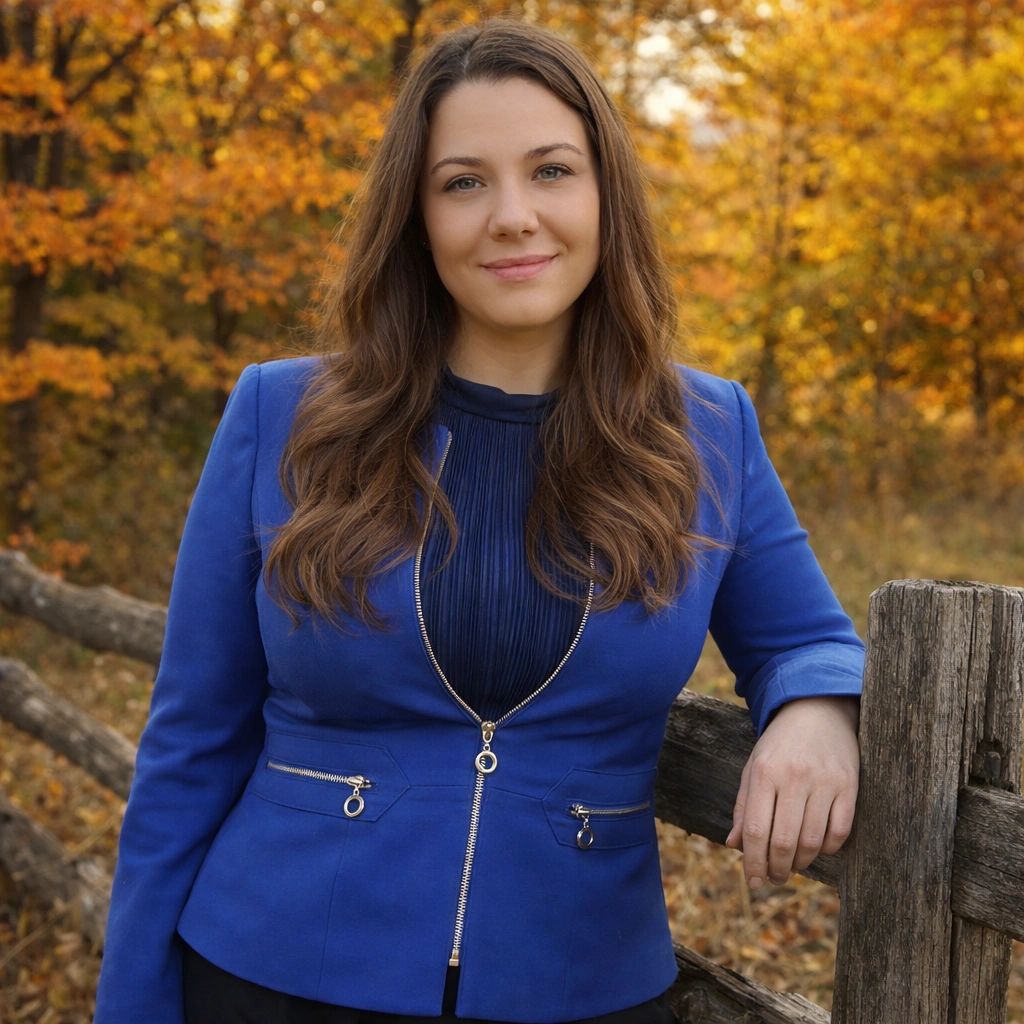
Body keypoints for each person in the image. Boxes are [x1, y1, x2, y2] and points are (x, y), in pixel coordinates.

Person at [92, 16, 863, 1024]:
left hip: (578, 984)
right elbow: (189, 739)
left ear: (604, 197)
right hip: (271, 974)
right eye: (463, 181)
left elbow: (806, 638)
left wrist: (818, 713)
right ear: (414, 216)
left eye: (551, 171)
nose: (512, 216)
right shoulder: (281, 415)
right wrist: (133, 1005)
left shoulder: (706, 430)